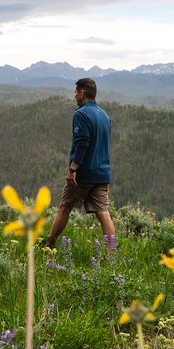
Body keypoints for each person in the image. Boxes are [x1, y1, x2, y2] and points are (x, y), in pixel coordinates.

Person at [43, 77, 117, 250]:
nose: (74, 95)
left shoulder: (81, 114)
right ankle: (111, 254)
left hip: (83, 174)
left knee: (64, 208)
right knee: (104, 213)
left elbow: (82, 143)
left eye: (76, 92)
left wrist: (73, 169)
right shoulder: (104, 116)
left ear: (82, 93)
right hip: (102, 173)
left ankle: (49, 243)